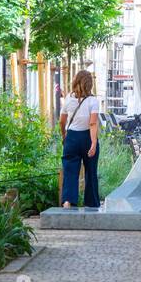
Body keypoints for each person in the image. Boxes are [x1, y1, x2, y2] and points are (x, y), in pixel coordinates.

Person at [59, 70, 101, 208]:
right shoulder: (93, 101)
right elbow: (93, 123)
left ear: (76, 81)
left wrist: (64, 135)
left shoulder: (68, 100)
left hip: (71, 137)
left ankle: (67, 201)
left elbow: (62, 121)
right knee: (91, 171)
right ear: (90, 84)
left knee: (70, 171)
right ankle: (91, 204)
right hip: (88, 137)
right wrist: (94, 143)